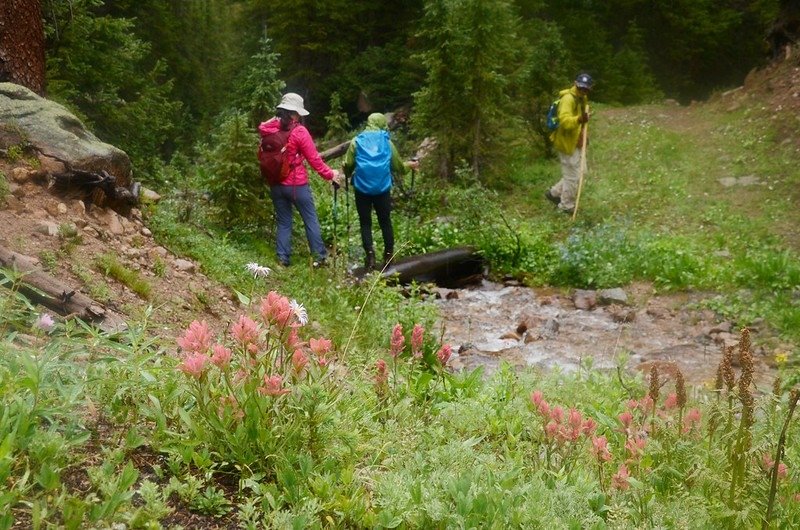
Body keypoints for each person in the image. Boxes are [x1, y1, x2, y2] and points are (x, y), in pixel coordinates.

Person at [258, 93, 343, 267]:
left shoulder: (268, 129)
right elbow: (314, 159)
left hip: (275, 183)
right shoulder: (299, 131)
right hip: (296, 185)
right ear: (294, 113)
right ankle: (319, 258)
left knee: (284, 221)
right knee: (310, 219)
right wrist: (330, 174)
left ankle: (282, 258)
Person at [341, 113, 418, 270]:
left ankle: (370, 258)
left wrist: (348, 174)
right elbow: (399, 168)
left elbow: (347, 164)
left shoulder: (357, 141)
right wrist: (411, 165)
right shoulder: (387, 142)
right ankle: (388, 257)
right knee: (385, 222)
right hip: (382, 189)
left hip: (361, 188)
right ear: (382, 123)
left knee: (365, 222)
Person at [545, 73, 593, 215]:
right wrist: (579, 119)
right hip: (566, 143)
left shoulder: (582, 99)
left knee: (582, 172)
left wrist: (584, 134)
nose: (583, 91)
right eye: (580, 88)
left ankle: (554, 193)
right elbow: (565, 122)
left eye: (586, 89)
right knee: (573, 176)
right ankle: (566, 206)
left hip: (576, 142)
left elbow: (581, 121)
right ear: (575, 84)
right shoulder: (568, 99)